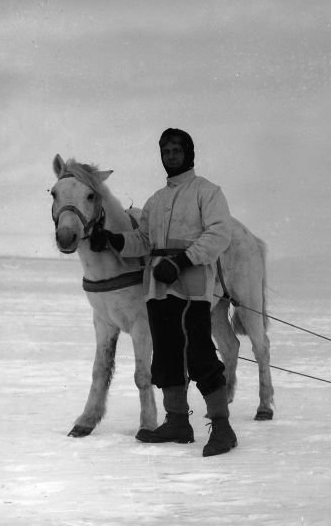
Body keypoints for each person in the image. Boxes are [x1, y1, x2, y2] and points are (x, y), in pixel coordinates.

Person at [90, 128, 237, 456]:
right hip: (158, 290)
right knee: (167, 356)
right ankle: (177, 422)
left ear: (189, 153)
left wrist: (184, 260)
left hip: (192, 291)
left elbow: (219, 234)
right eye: (166, 151)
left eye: (176, 150)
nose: (171, 155)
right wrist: (114, 241)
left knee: (199, 355)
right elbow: (143, 241)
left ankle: (223, 428)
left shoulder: (207, 192)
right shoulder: (156, 201)